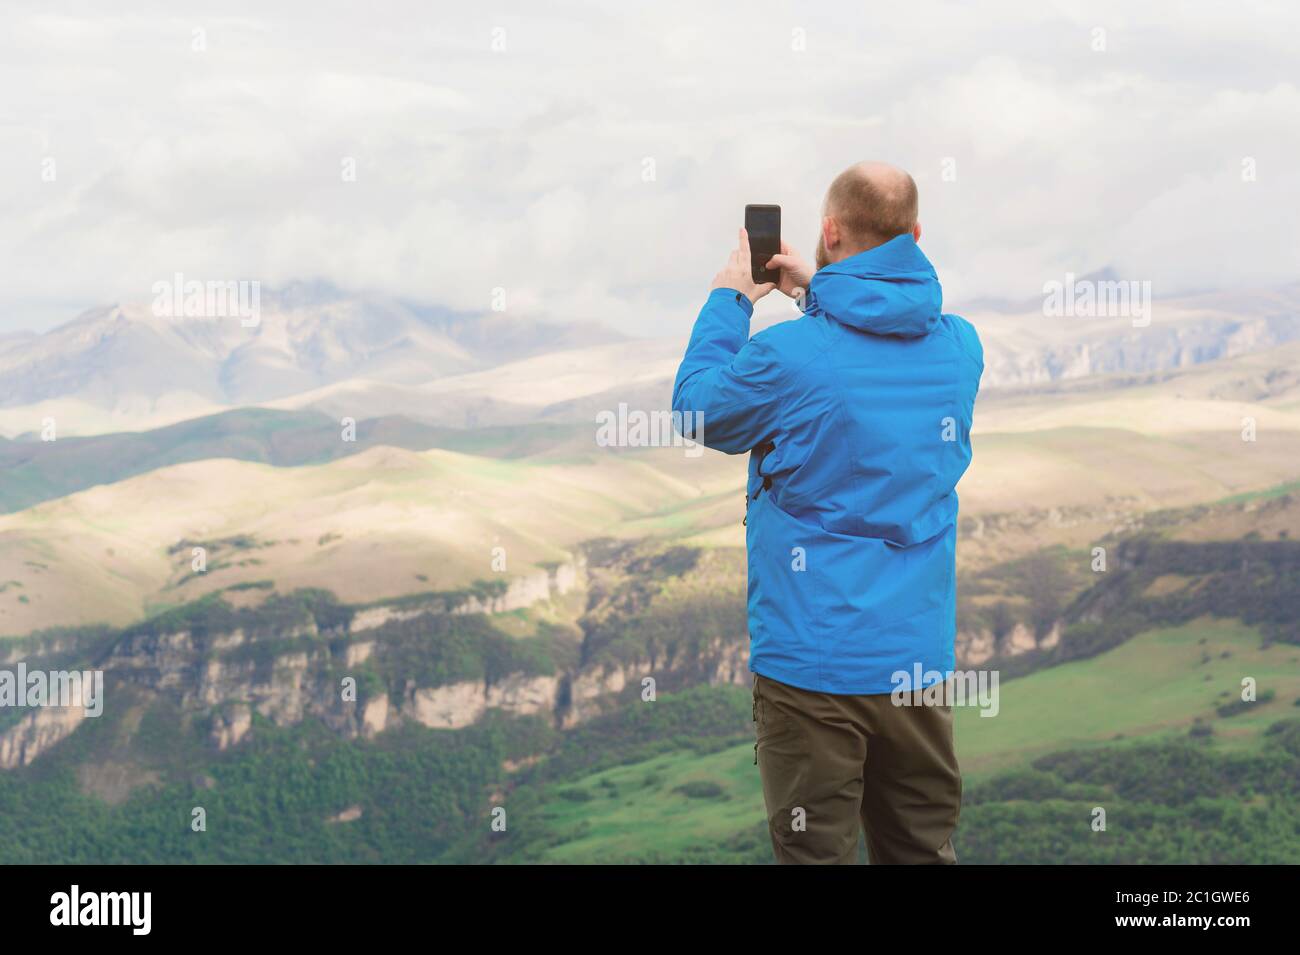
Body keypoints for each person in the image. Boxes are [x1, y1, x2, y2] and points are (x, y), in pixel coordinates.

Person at [672, 161, 983, 864]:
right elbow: (886, 344)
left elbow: (699, 410)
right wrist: (822, 294)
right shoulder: (962, 349)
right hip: (916, 664)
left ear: (829, 231)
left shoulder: (789, 357)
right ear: (917, 233)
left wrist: (730, 298)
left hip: (814, 668)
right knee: (921, 850)